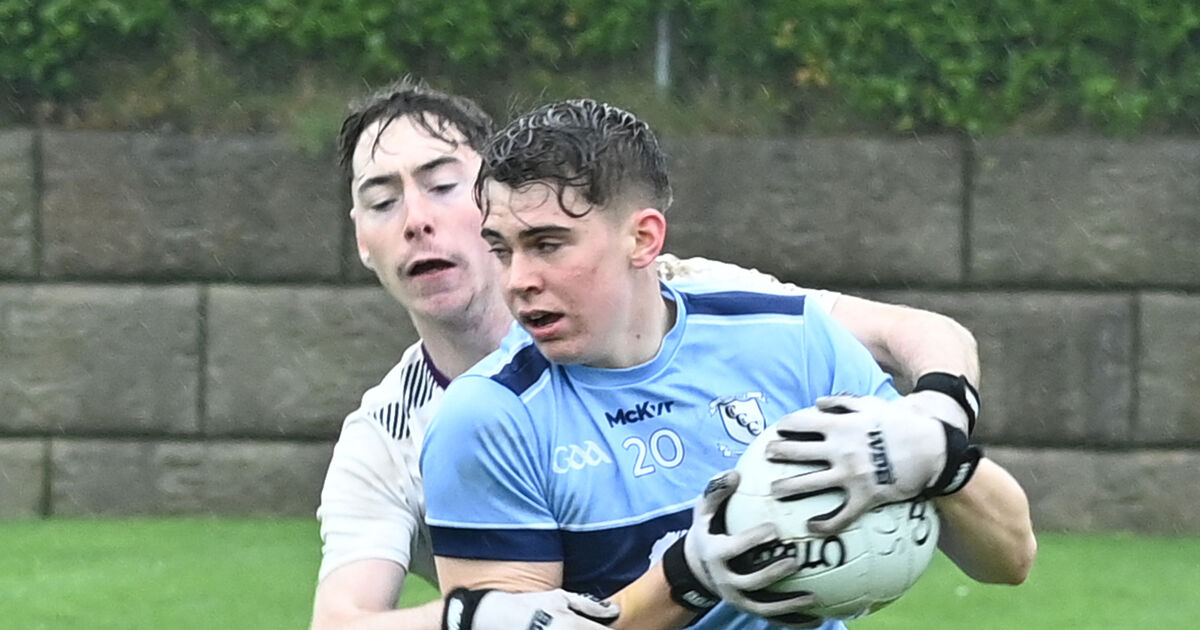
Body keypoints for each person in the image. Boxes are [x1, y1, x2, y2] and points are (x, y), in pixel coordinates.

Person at [312, 79, 1034, 630]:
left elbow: (1009, 554)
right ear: (360, 237)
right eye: (382, 200)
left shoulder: (760, 323)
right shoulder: (450, 424)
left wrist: (938, 445)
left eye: (441, 185)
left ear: (644, 241)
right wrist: (687, 576)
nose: (417, 220)